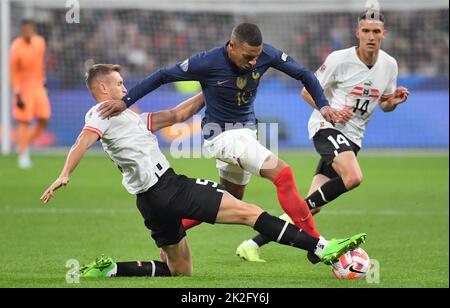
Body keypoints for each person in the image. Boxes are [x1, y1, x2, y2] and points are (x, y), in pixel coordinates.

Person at [40, 64, 366, 278]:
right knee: (248, 212)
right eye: (119, 83)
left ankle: (112, 269)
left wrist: (210, 88)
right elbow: (83, 141)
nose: (126, 88)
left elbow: (176, 114)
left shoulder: (129, 118)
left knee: (180, 271)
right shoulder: (100, 113)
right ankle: (321, 248)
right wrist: (65, 173)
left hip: (148, 202)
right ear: (103, 90)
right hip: (169, 188)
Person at [95, 23, 353, 251]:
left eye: (256, 57)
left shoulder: (265, 55)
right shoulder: (206, 62)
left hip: (246, 134)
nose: (253, 62)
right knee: (283, 174)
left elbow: (304, 74)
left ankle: (174, 232)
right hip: (221, 135)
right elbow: (163, 75)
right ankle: (318, 245)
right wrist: (126, 102)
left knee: (231, 200)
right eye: (248, 57)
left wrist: (323, 105)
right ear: (231, 46)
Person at [237, 10, 409, 262]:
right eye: (366, 31)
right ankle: (316, 245)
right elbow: (307, 91)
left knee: (309, 206)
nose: (370, 36)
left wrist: (393, 102)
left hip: (353, 138)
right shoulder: (340, 59)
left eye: (375, 31)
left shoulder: (389, 65)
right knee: (353, 176)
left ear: (384, 34)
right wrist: (330, 111)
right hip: (326, 128)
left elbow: (384, 104)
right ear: (357, 33)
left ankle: (252, 243)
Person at [10, 20, 51, 168]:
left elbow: (40, 64)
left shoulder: (40, 42)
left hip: (38, 86)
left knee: (44, 119)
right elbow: (13, 71)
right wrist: (16, 91)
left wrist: (44, 80)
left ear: (32, 29)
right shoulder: (16, 47)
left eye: (30, 29)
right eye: (25, 30)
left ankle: (24, 144)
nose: (28, 32)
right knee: (24, 121)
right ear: (22, 31)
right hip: (23, 89)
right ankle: (22, 155)